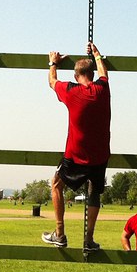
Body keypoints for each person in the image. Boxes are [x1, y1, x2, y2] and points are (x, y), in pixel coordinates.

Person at [41, 41, 110, 251]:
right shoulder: (102, 89)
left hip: (76, 156)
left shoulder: (71, 91)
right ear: (92, 74)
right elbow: (104, 74)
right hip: (99, 156)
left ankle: (60, 234)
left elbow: (52, 81)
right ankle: (88, 240)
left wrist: (52, 62)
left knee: (56, 185)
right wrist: (97, 55)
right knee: (94, 193)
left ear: (75, 75)